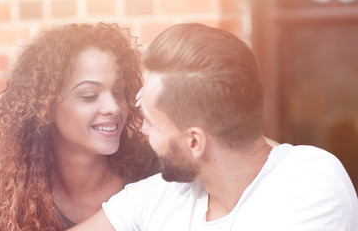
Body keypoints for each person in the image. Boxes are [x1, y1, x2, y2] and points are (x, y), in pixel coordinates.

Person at [69, 23, 358, 230]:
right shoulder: (161, 197)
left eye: (151, 123)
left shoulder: (309, 181)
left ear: (195, 142)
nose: (142, 132)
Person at [0, 22, 159, 230]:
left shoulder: (152, 171)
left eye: (119, 92)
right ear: (46, 106)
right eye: (89, 95)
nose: (114, 107)